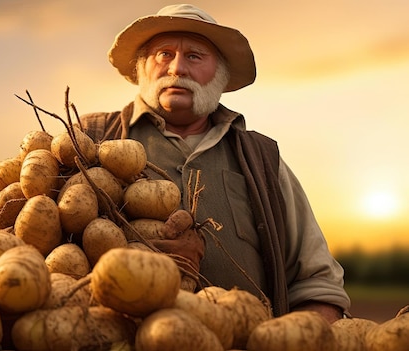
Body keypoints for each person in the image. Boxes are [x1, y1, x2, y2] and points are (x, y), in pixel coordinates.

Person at [79, 4, 350, 323]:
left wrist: (302, 333)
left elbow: (317, 282)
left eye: (194, 56)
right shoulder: (91, 139)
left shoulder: (262, 158)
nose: (177, 67)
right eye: (164, 54)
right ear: (142, 67)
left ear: (220, 74)